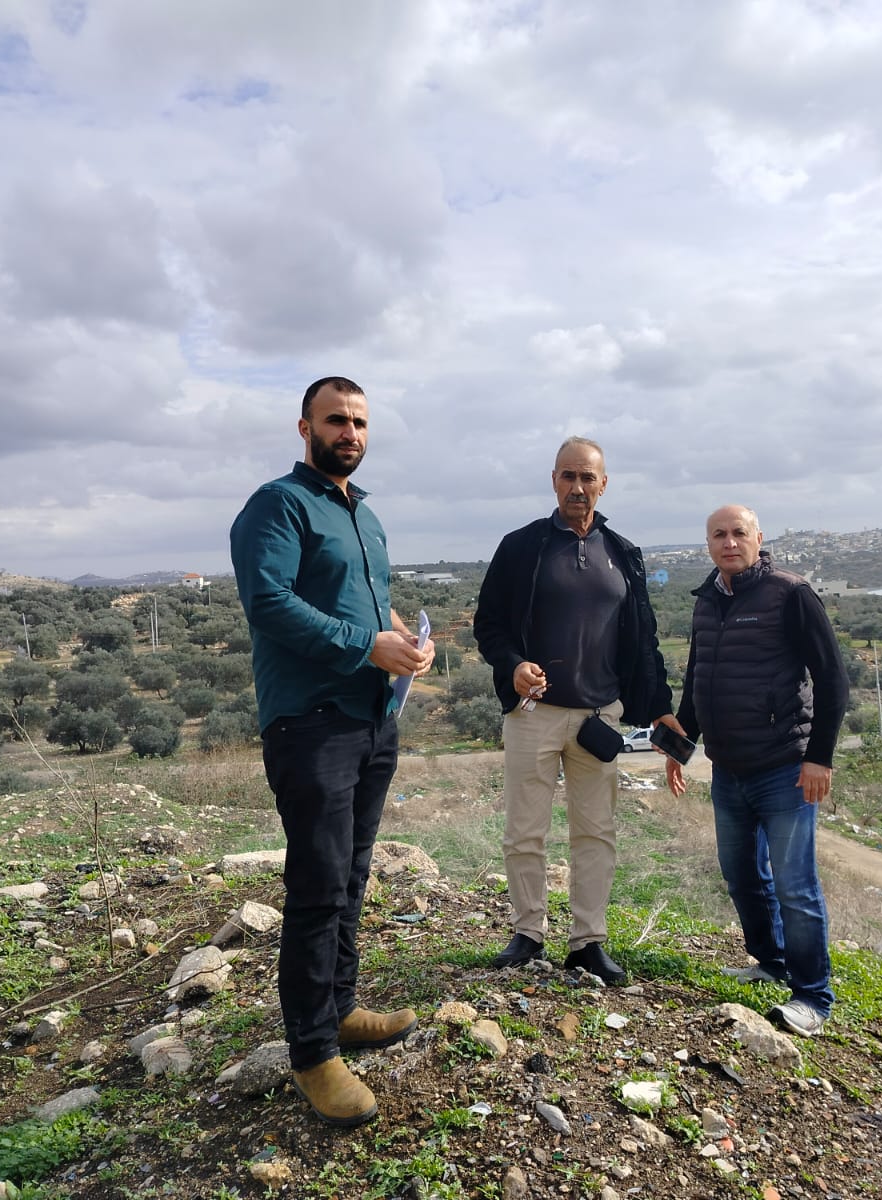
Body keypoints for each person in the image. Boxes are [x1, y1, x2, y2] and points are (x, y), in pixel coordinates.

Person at [230, 376, 434, 1126]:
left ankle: (342, 1009)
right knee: (317, 888)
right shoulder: (278, 505)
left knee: (351, 875)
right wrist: (365, 645)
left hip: (372, 721)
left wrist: (405, 649)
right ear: (304, 427)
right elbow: (268, 602)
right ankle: (314, 1054)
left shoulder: (365, 516)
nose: (349, 433)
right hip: (310, 723)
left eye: (359, 423)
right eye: (336, 421)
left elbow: (366, 611)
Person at [473, 436, 682, 985]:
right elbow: (488, 624)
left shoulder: (623, 552)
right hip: (532, 713)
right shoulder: (521, 547)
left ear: (603, 484)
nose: (577, 487)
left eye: (587, 477)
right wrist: (514, 664)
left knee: (596, 833)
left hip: (599, 720)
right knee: (525, 832)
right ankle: (527, 934)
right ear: (553, 481)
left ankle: (588, 942)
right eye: (568, 476)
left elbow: (644, 639)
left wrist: (659, 708)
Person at [666, 504, 850, 1036]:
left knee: (796, 885)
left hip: (785, 770)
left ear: (758, 538)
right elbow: (700, 682)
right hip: (729, 771)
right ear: (707, 544)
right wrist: (681, 750)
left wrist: (820, 757)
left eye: (738, 533)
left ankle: (812, 996)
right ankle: (769, 962)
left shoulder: (790, 594)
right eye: (719, 535)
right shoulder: (707, 602)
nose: (729, 542)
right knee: (743, 875)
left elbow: (832, 680)